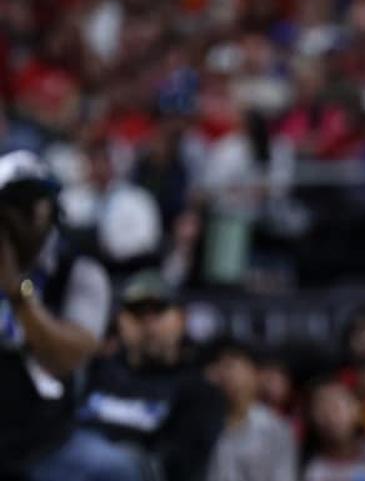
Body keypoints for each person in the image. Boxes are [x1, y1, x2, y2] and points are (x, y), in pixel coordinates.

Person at [0, 150, 116, 481]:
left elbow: (68, 358)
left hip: (49, 440)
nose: (29, 217)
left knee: (116, 469)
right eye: (14, 206)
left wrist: (17, 290)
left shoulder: (79, 271)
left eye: (35, 203)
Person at [76, 270, 226, 481]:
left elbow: (176, 468)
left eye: (159, 310)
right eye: (137, 312)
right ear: (120, 321)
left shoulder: (201, 393)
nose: (148, 322)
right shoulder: (93, 372)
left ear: (181, 320)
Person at [206, 339, 299, 481]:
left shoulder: (277, 429)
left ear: (256, 374)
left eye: (232, 366)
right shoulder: (202, 423)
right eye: (221, 367)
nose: (227, 375)